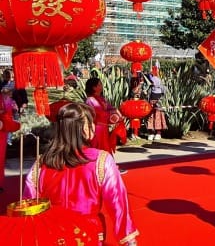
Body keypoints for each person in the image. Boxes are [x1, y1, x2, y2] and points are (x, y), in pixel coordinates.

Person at [24, 103, 139, 245]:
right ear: (85, 128)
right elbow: (118, 202)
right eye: (92, 123)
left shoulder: (42, 163)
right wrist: (128, 239)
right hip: (87, 234)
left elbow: (29, 203)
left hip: (51, 234)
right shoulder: (100, 160)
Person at [85, 78, 122, 155]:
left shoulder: (102, 99)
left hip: (104, 129)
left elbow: (110, 108)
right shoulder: (90, 100)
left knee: (105, 149)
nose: (102, 86)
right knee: (97, 149)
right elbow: (100, 113)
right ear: (94, 87)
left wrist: (116, 111)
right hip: (97, 129)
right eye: (99, 84)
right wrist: (114, 114)